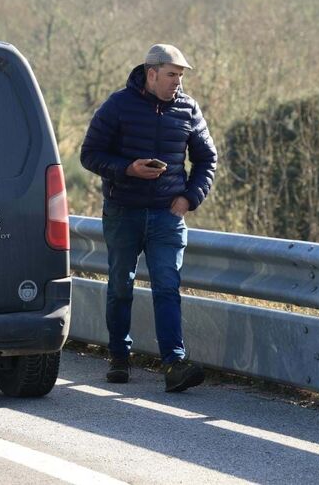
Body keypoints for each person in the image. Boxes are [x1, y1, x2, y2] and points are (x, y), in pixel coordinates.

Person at [80, 44, 217, 392]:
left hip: (167, 215)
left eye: (181, 76)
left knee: (167, 287)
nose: (177, 82)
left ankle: (174, 364)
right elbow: (90, 155)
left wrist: (189, 198)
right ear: (151, 73)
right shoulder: (117, 105)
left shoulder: (188, 109)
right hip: (123, 211)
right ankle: (119, 357)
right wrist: (128, 169)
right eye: (172, 74)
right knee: (121, 285)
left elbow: (207, 159)